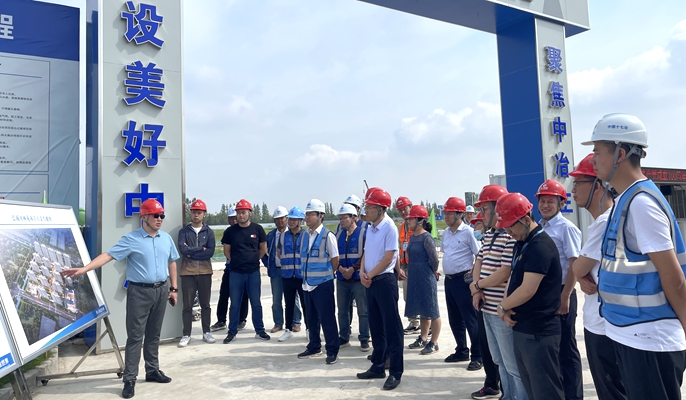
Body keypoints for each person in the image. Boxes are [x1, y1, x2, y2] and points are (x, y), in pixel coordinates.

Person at [584, 114, 686, 400]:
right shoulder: (626, 200)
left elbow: (674, 279)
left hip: (650, 338)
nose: (593, 160)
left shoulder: (641, 204)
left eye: (597, 152)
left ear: (620, 154)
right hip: (631, 333)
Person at [63, 199, 179, 399]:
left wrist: (174, 289)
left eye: (162, 215)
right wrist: (85, 269)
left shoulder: (166, 238)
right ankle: (130, 378)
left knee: (154, 334)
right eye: (155, 215)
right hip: (140, 292)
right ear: (144, 217)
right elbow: (108, 256)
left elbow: (172, 263)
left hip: (161, 290)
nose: (160, 219)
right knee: (135, 336)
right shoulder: (131, 239)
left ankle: (152, 370)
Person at [495, 193, 564, 400]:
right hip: (523, 328)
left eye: (510, 226)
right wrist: (506, 306)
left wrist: (501, 307)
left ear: (525, 220)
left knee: (546, 391)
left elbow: (527, 289)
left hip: (539, 332)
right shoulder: (522, 242)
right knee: (532, 389)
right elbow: (513, 278)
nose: (507, 232)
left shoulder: (540, 246)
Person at [570, 153, 627, 400]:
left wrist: (580, 273)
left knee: (613, 391)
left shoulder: (606, 222)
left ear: (598, 186)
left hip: (605, 325)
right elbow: (582, 269)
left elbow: (578, 268)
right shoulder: (604, 221)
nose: (572, 190)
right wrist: (581, 274)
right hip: (604, 321)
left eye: (578, 183)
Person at [469, 185, 523, 400]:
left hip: (502, 310)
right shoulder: (489, 235)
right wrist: (476, 289)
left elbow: (504, 272)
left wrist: (477, 286)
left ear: (497, 209)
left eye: (484, 209)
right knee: (499, 360)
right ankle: (507, 395)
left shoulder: (510, 236)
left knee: (512, 364)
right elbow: (479, 261)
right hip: (487, 309)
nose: (481, 214)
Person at [535, 179, 583, 400]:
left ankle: (573, 396)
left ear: (561, 203)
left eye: (550, 202)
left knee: (566, 347)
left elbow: (575, 265)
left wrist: (566, 296)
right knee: (552, 347)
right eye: (542, 201)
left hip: (563, 292)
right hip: (545, 294)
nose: (545, 205)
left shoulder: (567, 229)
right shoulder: (540, 227)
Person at [356, 187, 404, 390]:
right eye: (366, 206)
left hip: (384, 281)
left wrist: (371, 275)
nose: (365, 210)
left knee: (391, 328)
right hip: (371, 281)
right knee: (375, 326)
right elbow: (366, 252)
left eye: (369, 207)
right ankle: (377, 366)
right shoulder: (370, 227)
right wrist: (362, 273)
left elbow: (388, 258)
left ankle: (395, 372)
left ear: (381, 209)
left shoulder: (389, 227)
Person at [440, 197, 482, 370]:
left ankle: (477, 355)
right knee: (455, 319)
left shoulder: (469, 232)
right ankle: (461, 350)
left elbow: (479, 254)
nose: (446, 216)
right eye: (445, 213)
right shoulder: (446, 233)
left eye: (449, 213)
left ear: (460, 214)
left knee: (470, 319)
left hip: (464, 280)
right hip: (449, 280)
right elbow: (446, 253)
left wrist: (474, 275)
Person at [297, 199, 340, 364]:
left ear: (320, 216)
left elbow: (335, 260)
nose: (307, 217)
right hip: (307, 283)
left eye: (311, 214)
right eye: (306, 214)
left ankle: (332, 350)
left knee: (327, 318)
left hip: (323, 284)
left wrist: (325, 275)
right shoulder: (304, 235)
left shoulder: (328, 236)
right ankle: (314, 346)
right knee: (311, 318)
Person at [222, 199, 270, 343]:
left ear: (249, 213)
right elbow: (227, 251)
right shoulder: (230, 231)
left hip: (253, 272)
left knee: (256, 302)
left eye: (243, 212)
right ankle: (232, 332)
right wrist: (238, 261)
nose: (241, 215)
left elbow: (263, 249)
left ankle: (260, 330)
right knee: (235, 303)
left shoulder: (257, 229)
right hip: (236, 272)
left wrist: (252, 260)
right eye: (238, 213)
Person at [404, 205, 442, 355]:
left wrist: (433, 271)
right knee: (422, 308)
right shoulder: (413, 237)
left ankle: (434, 342)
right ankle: (423, 338)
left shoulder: (427, 238)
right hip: (415, 276)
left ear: (420, 221)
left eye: (411, 219)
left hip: (426, 277)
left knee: (432, 310)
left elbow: (434, 259)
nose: (408, 221)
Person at [177, 199, 216, 347]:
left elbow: (210, 252)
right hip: (188, 272)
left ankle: (206, 332)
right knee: (187, 305)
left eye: (199, 212)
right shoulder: (184, 232)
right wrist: (200, 249)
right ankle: (186, 334)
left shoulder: (209, 232)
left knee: (205, 304)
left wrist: (191, 252)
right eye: (194, 212)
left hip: (205, 271)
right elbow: (183, 250)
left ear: (204, 214)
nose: (196, 215)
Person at [335, 203, 370, 352]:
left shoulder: (363, 233)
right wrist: (341, 269)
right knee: (342, 310)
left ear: (353, 218)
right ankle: (344, 337)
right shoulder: (337, 235)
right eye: (340, 218)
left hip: (358, 278)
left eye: (344, 218)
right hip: (342, 278)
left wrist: (353, 269)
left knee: (363, 310)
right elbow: (333, 255)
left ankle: (364, 338)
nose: (342, 221)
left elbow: (366, 254)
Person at [263, 206, 302, 334]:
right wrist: (268, 264)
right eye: (277, 219)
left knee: (293, 298)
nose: (280, 221)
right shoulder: (271, 235)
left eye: (282, 218)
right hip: (276, 271)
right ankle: (278, 323)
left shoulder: (293, 234)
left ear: (287, 219)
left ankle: (295, 322)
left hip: (291, 271)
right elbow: (263, 250)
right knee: (276, 299)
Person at [210, 207, 249, 332]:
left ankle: (241, 320)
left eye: (234, 218)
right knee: (224, 294)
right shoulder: (229, 232)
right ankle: (221, 320)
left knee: (243, 295)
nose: (233, 221)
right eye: (230, 218)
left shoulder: (245, 231)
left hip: (242, 269)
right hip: (230, 268)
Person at [277, 206, 306, 342]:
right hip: (287, 275)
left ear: (300, 221)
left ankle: (309, 329)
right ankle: (288, 330)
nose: (292, 222)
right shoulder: (283, 236)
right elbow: (279, 252)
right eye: (290, 219)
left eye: (295, 220)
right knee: (288, 304)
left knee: (306, 304)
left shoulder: (306, 235)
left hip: (302, 276)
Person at [396, 196, 419, 334]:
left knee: (419, 296)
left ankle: (425, 323)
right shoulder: (401, 228)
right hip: (405, 266)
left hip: (417, 266)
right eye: (400, 210)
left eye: (405, 208)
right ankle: (414, 322)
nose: (403, 212)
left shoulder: (418, 225)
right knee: (407, 296)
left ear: (411, 207)